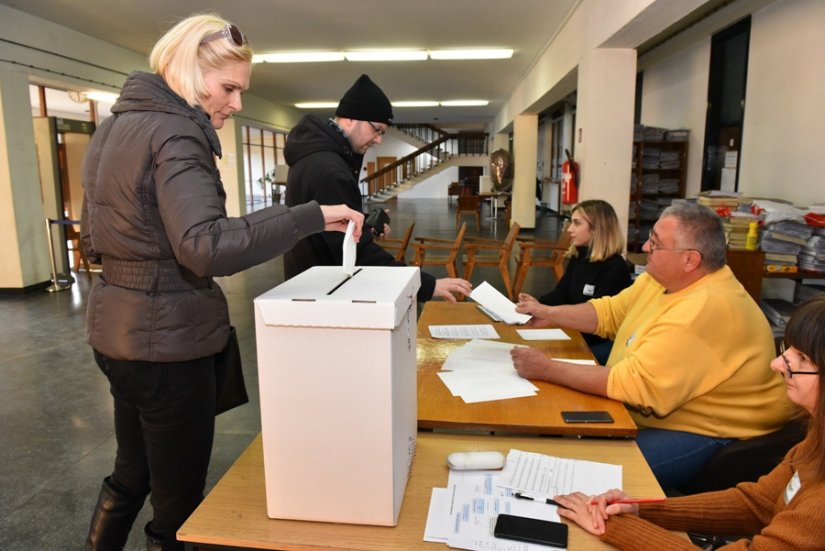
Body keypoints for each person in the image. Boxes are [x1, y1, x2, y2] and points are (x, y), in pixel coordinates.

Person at [79, 15, 364, 551]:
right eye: (228, 87)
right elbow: (204, 246)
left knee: (130, 473)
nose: (235, 103)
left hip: (115, 331)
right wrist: (306, 216)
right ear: (186, 71)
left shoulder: (114, 127)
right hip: (167, 345)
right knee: (178, 505)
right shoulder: (177, 132)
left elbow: (95, 235)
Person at [512, 202, 791, 490]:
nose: (645, 247)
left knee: (593, 474)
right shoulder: (660, 281)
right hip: (660, 409)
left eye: (656, 244)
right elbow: (608, 313)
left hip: (712, 430)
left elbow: (634, 385)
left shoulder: (703, 309)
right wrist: (549, 313)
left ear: (690, 260)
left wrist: (545, 368)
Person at [554, 296, 825, 550]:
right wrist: (640, 509)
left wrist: (615, 527)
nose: (778, 364)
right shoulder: (816, 436)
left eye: (800, 358)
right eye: (787, 350)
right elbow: (757, 503)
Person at [283, 74, 472, 303]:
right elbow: (357, 253)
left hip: (312, 282)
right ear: (351, 119)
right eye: (377, 130)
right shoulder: (329, 169)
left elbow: (325, 222)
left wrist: (362, 223)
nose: (378, 140)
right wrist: (424, 284)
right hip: (324, 293)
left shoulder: (316, 156)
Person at [533, 200, 632, 364]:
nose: (570, 230)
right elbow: (561, 294)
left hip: (598, 343)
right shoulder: (580, 257)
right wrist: (536, 304)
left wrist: (549, 314)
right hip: (573, 333)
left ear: (596, 229)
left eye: (576, 224)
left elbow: (599, 322)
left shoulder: (615, 267)